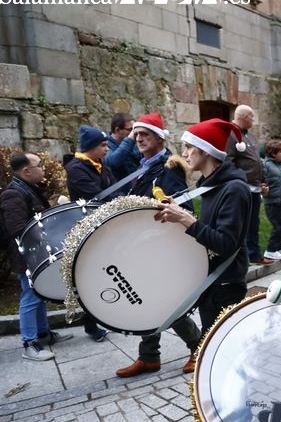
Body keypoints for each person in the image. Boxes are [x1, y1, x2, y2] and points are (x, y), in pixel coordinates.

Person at [161, 118, 251, 422]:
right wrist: (182, 214)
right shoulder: (212, 184)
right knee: (225, 362)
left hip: (226, 285)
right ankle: (237, 418)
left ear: (207, 152)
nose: (183, 154)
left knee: (215, 366)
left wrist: (186, 220)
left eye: (189, 147)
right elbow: (210, 233)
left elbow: (227, 242)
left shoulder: (234, 190)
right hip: (214, 285)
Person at [115, 112, 201, 378]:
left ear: (159, 138)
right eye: (137, 134)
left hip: (161, 246)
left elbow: (183, 208)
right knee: (147, 302)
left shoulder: (168, 168)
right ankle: (149, 356)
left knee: (163, 303)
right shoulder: (146, 166)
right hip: (145, 247)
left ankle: (198, 346)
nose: (139, 138)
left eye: (145, 134)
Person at [0, 153, 74, 361]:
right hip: (25, 257)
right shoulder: (13, 194)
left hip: (34, 254)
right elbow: (17, 228)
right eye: (39, 165)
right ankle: (29, 344)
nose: (43, 168)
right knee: (31, 296)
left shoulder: (27, 188)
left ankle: (44, 335)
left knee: (38, 294)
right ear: (26, 171)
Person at [65, 125, 114, 342]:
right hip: (88, 228)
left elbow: (114, 188)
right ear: (91, 147)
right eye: (103, 145)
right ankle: (91, 325)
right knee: (89, 278)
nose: (107, 149)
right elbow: (97, 196)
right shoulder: (77, 169)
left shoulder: (99, 165)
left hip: (103, 226)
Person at [227, 105, 270, 265]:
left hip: (254, 187)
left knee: (253, 223)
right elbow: (228, 162)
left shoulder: (250, 137)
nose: (253, 120)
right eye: (252, 117)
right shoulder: (230, 135)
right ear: (244, 117)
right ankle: (242, 258)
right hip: (242, 188)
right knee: (242, 224)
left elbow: (256, 160)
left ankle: (254, 254)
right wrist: (241, 181)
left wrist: (263, 181)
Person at [261, 140, 281, 261]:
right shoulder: (266, 165)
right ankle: (270, 250)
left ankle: (278, 247)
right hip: (271, 201)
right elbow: (262, 180)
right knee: (277, 226)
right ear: (273, 154)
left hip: (280, 200)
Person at [103, 112, 140, 180]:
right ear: (117, 130)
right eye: (130, 129)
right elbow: (113, 163)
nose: (133, 132)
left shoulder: (133, 143)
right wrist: (129, 139)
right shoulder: (105, 145)